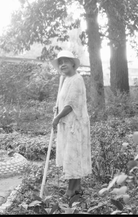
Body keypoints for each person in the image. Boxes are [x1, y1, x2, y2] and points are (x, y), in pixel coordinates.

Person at [50, 50, 92, 201]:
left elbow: (71, 104)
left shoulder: (76, 79)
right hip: (67, 124)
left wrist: (58, 117)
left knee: (72, 156)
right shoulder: (65, 79)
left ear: (73, 63)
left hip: (75, 124)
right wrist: (57, 108)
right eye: (60, 63)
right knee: (73, 155)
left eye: (65, 61)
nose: (62, 65)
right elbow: (63, 101)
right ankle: (77, 188)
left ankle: (70, 191)